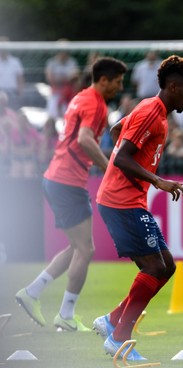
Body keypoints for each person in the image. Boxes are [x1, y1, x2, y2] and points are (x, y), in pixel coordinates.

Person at [92, 55, 183, 361]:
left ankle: (113, 320)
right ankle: (119, 337)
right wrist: (158, 180)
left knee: (166, 267)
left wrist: (129, 148)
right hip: (120, 201)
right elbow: (122, 157)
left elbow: (118, 131)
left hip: (129, 200)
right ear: (172, 86)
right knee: (154, 267)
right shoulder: (151, 112)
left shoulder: (152, 110)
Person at [15, 57, 127, 331]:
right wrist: (109, 167)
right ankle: (64, 314)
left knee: (77, 248)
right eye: (118, 82)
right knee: (85, 249)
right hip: (66, 180)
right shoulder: (95, 103)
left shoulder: (81, 97)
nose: (120, 88)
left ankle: (33, 293)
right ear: (103, 80)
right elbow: (84, 139)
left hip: (58, 178)